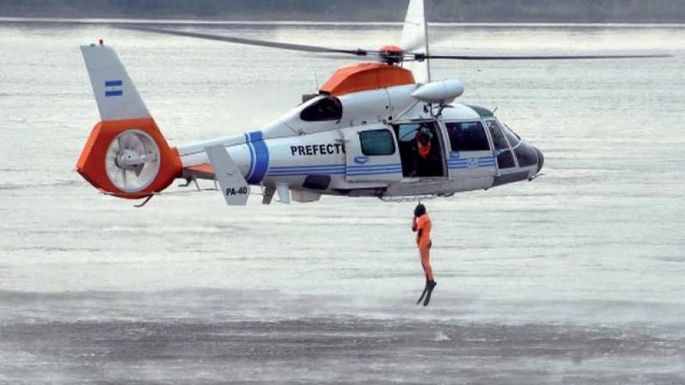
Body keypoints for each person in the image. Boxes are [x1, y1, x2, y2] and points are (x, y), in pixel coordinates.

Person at [412, 203, 437, 306]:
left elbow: (418, 230)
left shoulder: (423, 218)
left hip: (424, 241)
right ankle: (428, 279)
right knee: (424, 263)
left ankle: (431, 280)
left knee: (425, 262)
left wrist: (418, 240)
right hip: (425, 241)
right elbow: (414, 228)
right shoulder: (424, 217)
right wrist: (414, 219)